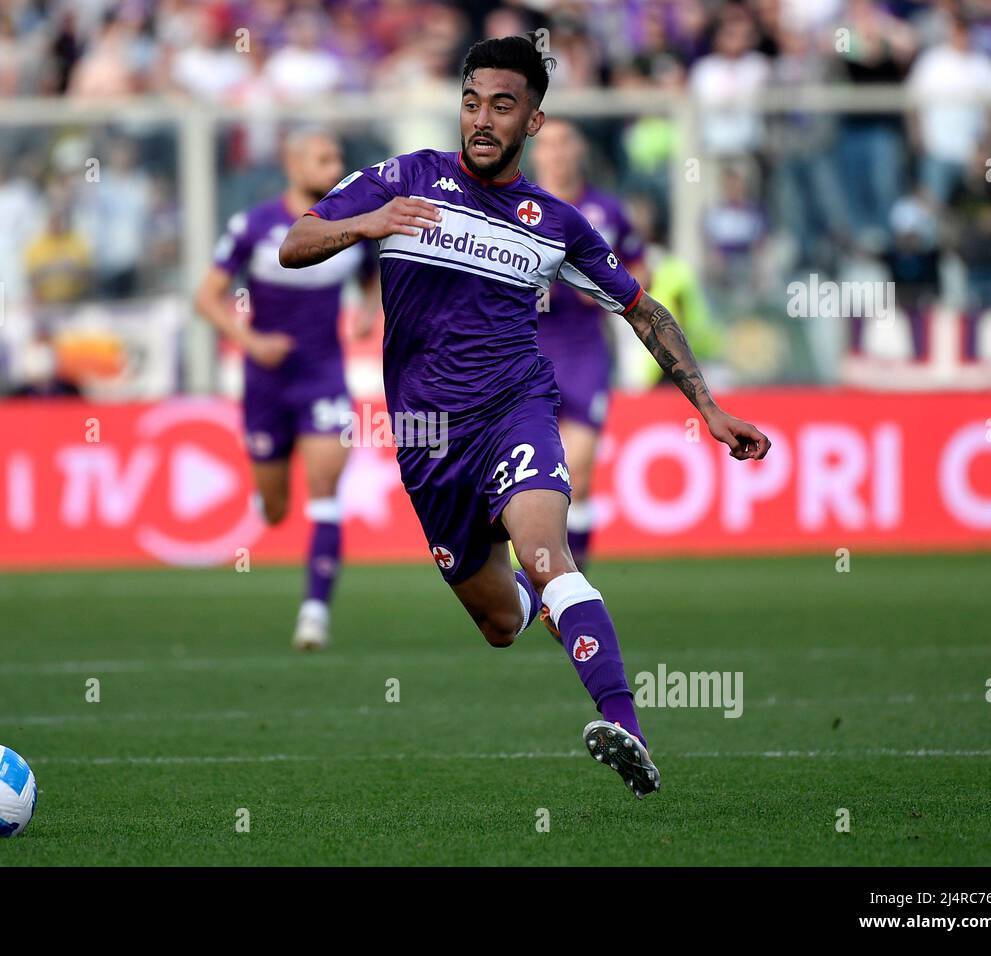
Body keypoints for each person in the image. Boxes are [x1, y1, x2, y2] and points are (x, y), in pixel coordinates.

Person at [280, 35, 770, 799]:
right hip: (428, 441)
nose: (482, 119)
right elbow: (295, 243)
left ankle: (627, 728)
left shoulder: (557, 224)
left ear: (532, 122)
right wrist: (367, 224)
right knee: (502, 622)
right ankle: (551, 609)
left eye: (502, 106)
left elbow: (642, 310)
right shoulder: (404, 178)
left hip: (517, 408)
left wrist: (707, 407)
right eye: (472, 102)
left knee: (549, 554)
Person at [194, 128, 379, 651]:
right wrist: (250, 342)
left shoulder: (348, 223)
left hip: (323, 377)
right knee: (274, 510)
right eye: (323, 157)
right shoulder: (254, 225)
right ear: (293, 165)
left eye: (338, 155)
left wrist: (368, 311)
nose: (334, 164)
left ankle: (315, 613)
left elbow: (371, 277)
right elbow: (205, 298)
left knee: (325, 493)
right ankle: (267, 497)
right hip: (266, 382)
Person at [529, 118, 643, 569]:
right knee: (520, 475)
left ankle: (570, 585)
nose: (555, 152)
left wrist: (601, 287)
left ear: (579, 151)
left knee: (578, 474)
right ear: (535, 153)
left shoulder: (606, 211)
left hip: (582, 351)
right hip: (520, 350)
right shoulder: (513, 206)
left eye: (564, 143)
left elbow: (640, 269)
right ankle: (530, 573)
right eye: (547, 144)